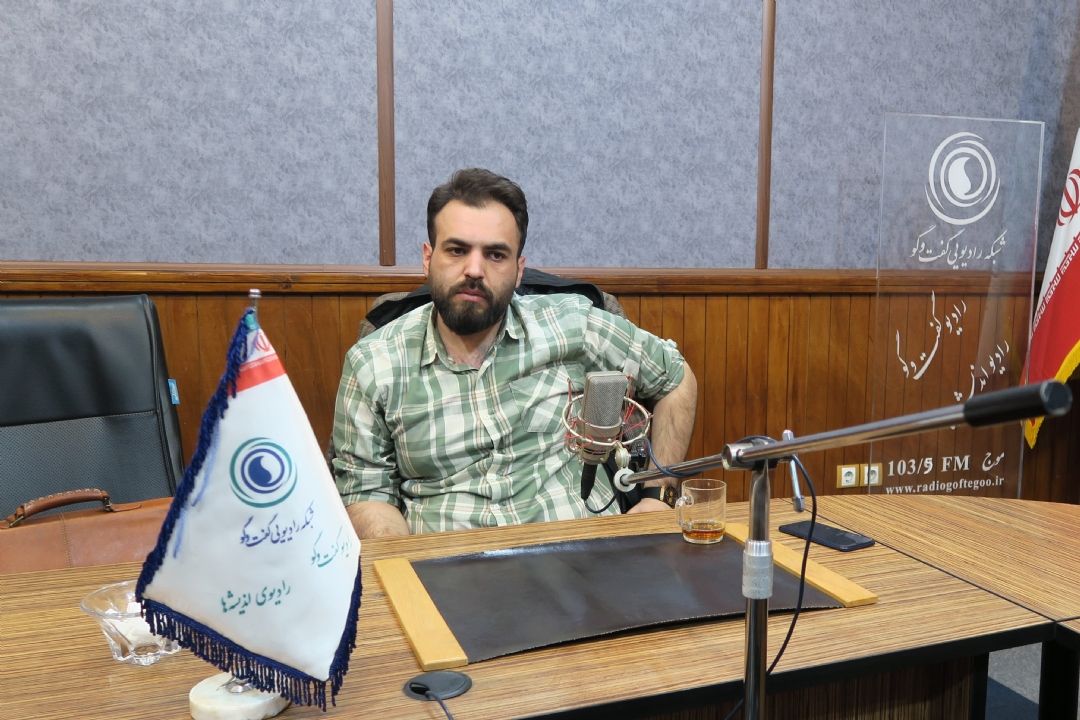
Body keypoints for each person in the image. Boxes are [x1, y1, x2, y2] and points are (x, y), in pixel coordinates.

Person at [331, 168, 697, 538]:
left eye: (495, 254)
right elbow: (366, 493)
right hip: (449, 561)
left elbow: (675, 378)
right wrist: (403, 561)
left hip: (581, 552)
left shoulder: (574, 323)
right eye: (457, 250)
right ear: (428, 258)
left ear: (519, 270)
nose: (474, 270)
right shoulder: (372, 364)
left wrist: (658, 495)